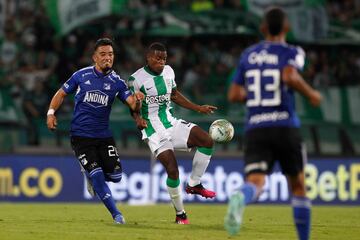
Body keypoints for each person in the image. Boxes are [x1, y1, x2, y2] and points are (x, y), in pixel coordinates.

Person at [224, 7, 322, 239]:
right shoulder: (292, 51)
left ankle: (241, 196)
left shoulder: (248, 54)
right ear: (287, 27)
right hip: (285, 125)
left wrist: (258, 96)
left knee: (256, 182)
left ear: (263, 28)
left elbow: (234, 95)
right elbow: (289, 76)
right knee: (298, 186)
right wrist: (311, 94)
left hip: (256, 127)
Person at [46, 38, 146, 224]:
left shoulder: (117, 82)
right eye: (103, 54)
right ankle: (117, 215)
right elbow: (61, 93)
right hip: (81, 136)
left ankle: (91, 174)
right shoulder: (81, 76)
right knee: (97, 175)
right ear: (94, 57)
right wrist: (51, 113)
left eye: (110, 54)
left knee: (116, 176)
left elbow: (131, 103)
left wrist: (137, 99)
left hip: (103, 136)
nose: (107, 58)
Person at [128, 42, 217, 224]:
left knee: (207, 140)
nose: (161, 62)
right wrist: (138, 118)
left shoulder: (169, 71)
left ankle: (194, 184)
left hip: (171, 123)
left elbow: (174, 95)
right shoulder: (135, 79)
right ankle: (180, 214)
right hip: (152, 129)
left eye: (164, 58)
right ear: (148, 57)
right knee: (173, 170)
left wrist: (198, 108)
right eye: (157, 58)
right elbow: (132, 106)